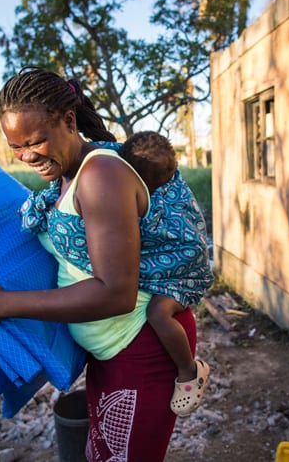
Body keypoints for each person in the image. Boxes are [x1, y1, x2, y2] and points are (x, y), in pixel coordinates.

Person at [0, 67, 211, 461]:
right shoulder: (69, 175)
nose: (27, 155)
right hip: (110, 353)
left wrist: (2, 305)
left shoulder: (100, 175)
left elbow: (115, 293)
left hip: (141, 349)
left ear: (68, 120)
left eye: (35, 141)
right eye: (16, 147)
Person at [117, 130, 212, 416]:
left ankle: (189, 370)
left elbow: (149, 234)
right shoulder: (171, 178)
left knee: (158, 313)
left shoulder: (156, 200)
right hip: (190, 261)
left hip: (186, 271)